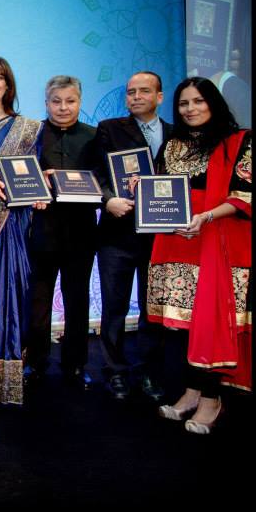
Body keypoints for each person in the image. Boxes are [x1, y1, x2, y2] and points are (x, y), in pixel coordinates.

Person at [149, 77, 251, 434]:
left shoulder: (240, 141)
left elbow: (244, 196)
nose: (190, 109)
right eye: (183, 103)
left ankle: (211, 399)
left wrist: (205, 217)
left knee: (210, 324)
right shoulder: (172, 144)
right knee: (180, 325)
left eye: (198, 101)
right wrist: (142, 189)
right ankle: (191, 393)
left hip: (217, 244)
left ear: (213, 103)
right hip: (175, 243)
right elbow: (160, 189)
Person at [93, 71, 172, 401]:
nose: (136, 97)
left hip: (161, 236)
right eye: (131, 92)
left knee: (153, 311)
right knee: (114, 307)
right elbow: (96, 172)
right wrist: (108, 200)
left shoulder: (175, 134)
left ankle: (149, 372)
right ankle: (115, 371)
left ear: (159, 97)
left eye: (144, 91)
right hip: (117, 234)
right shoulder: (109, 128)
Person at [0, 56, 43, 405]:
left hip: (11, 225)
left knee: (8, 295)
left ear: (9, 84)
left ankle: (3, 380)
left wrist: (40, 189)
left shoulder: (28, 128)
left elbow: (33, 173)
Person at [24, 75, 98, 388]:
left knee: (77, 301)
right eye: (57, 101)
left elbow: (104, 178)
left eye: (70, 101)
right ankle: (35, 362)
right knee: (37, 303)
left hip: (81, 231)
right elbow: (21, 176)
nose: (63, 107)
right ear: (46, 103)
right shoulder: (32, 134)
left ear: (80, 102)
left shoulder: (95, 136)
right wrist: (38, 180)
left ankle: (75, 365)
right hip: (43, 231)